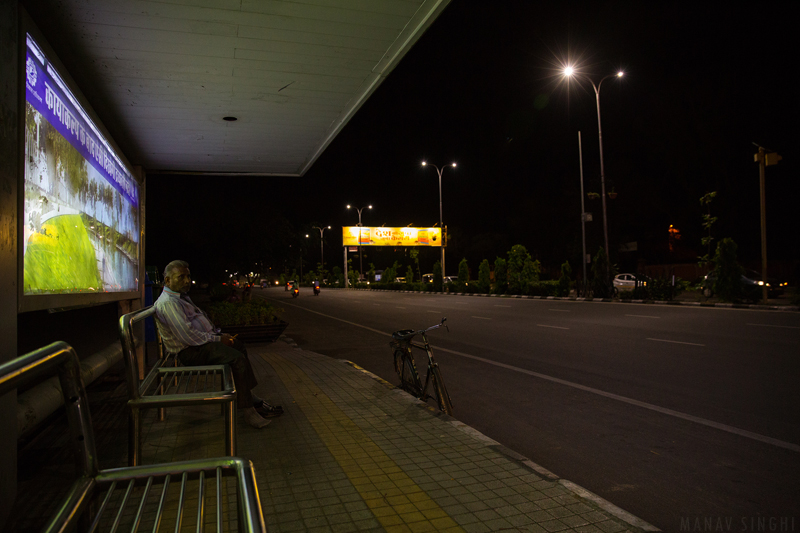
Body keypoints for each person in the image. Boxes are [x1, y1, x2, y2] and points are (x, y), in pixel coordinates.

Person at [154, 260, 282, 429]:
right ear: (168, 280)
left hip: (200, 344)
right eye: (181, 277)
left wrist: (219, 335)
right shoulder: (169, 303)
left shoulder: (179, 297)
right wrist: (217, 339)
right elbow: (188, 336)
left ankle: (248, 395)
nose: (186, 281)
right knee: (236, 359)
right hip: (191, 351)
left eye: (188, 276)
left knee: (238, 345)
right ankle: (248, 411)